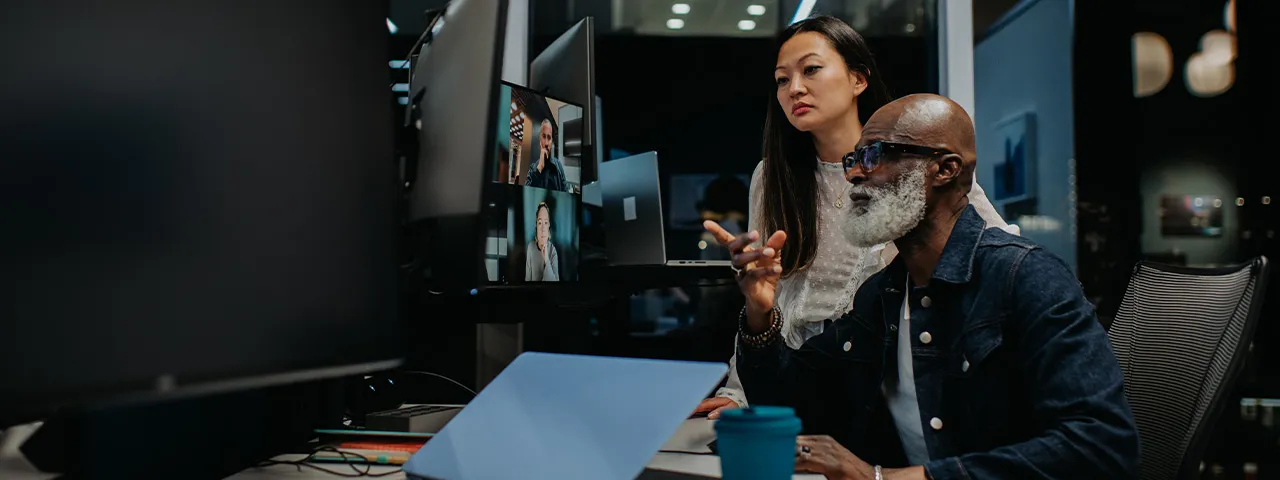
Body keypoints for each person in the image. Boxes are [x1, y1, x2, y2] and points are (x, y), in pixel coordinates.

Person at [722, 94, 1139, 479]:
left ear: (944, 169)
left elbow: (1102, 445)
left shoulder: (1027, 278)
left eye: (874, 155)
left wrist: (882, 478)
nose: (854, 174)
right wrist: (760, 310)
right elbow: (794, 398)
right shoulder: (882, 293)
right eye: (854, 158)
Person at [697, 15, 1015, 418]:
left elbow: (999, 252)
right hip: (787, 375)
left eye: (811, 69)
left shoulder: (907, 166)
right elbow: (769, 296)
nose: (795, 88)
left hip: (877, 379)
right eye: (781, 79)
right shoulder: (772, 175)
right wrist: (741, 390)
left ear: (857, 80)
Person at [525, 118, 569, 192]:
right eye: (543, 136)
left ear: (551, 141)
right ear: (540, 139)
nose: (546, 143)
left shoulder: (558, 165)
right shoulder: (532, 169)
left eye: (549, 138)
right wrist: (539, 168)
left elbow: (566, 194)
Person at [525, 201, 560, 281]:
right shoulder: (530, 247)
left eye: (546, 223)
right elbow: (527, 280)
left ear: (549, 226)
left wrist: (546, 260)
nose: (543, 229)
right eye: (540, 223)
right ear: (536, 225)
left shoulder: (553, 251)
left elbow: (556, 285)